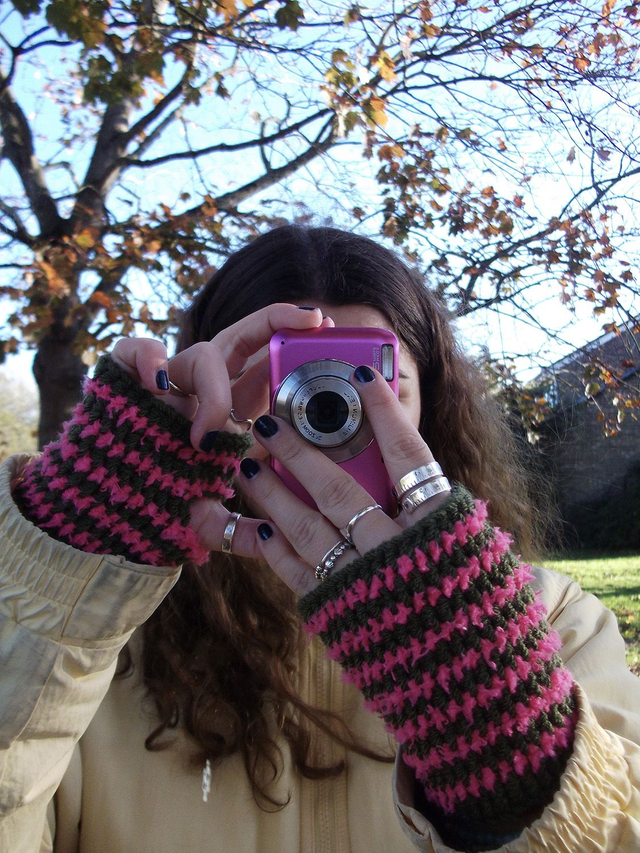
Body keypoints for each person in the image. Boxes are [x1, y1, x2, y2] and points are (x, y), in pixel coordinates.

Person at [1, 225, 639, 853]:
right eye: (272, 388)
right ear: (201, 400)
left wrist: (497, 728)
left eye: (369, 386)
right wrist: (62, 576)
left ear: (429, 407)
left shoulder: (553, 623)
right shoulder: (104, 635)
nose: (319, 418)